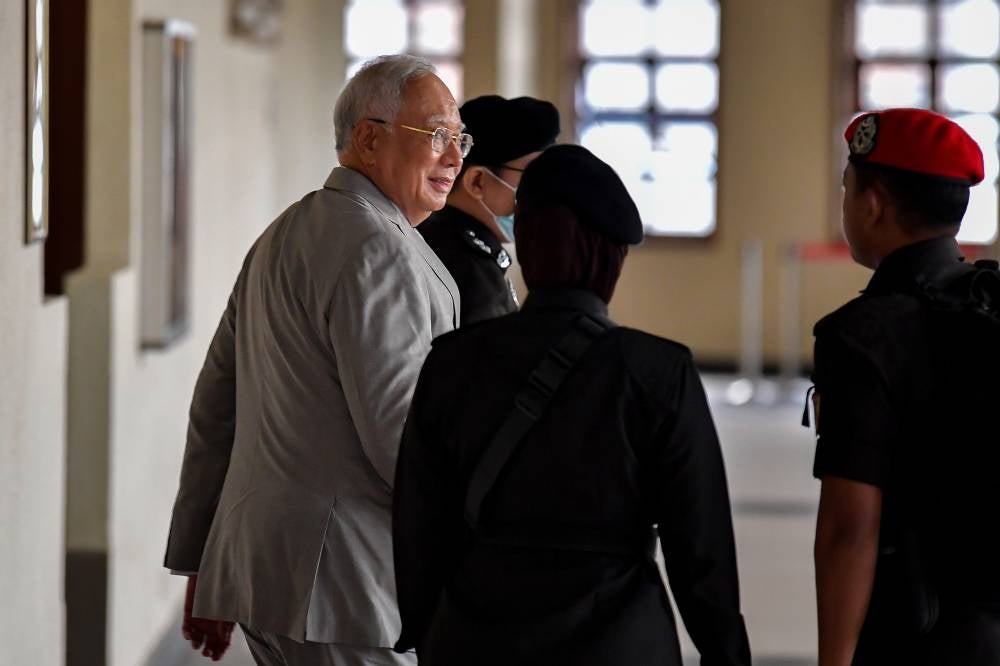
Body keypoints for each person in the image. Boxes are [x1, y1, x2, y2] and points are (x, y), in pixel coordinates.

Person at [392, 144, 752, 665]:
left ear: (528, 246)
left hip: (478, 636)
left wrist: (432, 631)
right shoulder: (656, 372)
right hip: (619, 641)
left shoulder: (452, 362)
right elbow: (701, 550)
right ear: (609, 258)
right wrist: (727, 654)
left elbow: (419, 524)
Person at [163, 54, 465, 665]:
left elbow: (215, 406)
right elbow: (400, 435)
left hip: (264, 572)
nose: (454, 157)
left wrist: (202, 559)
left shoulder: (284, 232)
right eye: (436, 135)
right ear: (369, 138)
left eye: (460, 139)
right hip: (345, 581)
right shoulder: (376, 247)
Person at [812, 108, 1000, 665]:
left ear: (872, 205)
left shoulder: (861, 335)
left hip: (918, 638)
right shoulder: (991, 304)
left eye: (847, 189)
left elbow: (851, 529)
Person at [418, 94, 559, 325]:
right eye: (533, 176)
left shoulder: (430, 234)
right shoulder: (472, 273)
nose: (542, 191)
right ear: (478, 182)